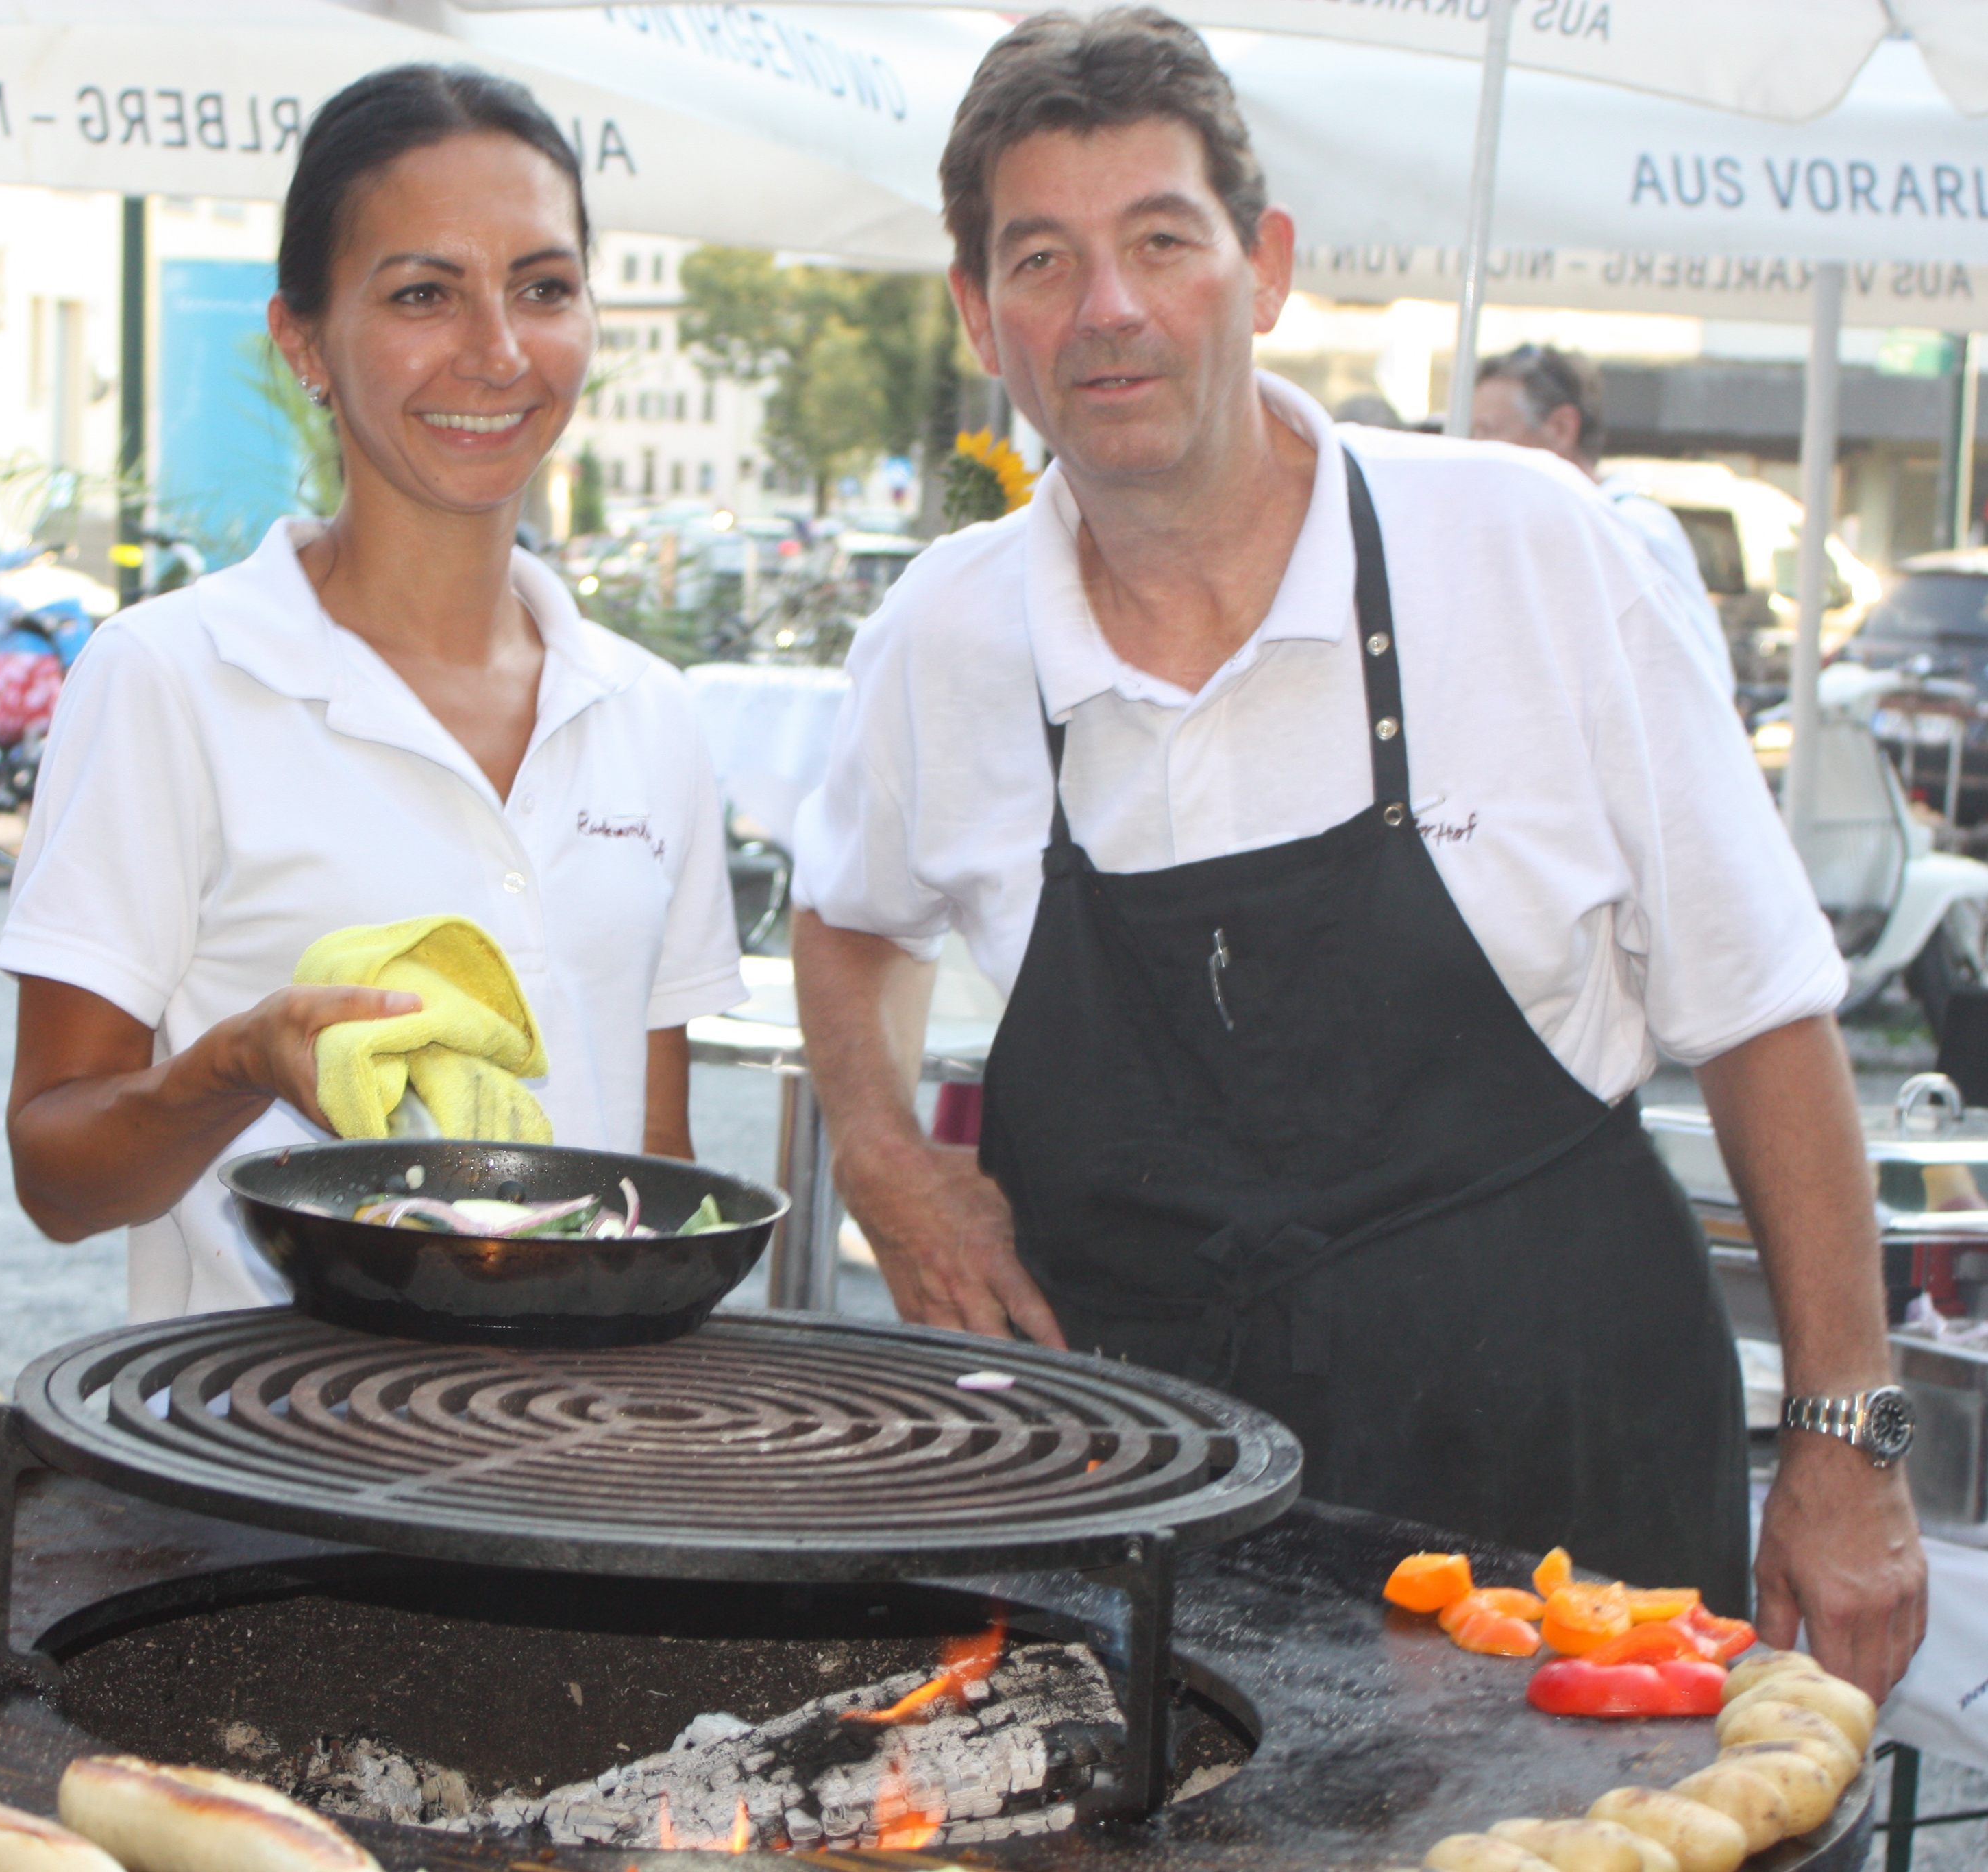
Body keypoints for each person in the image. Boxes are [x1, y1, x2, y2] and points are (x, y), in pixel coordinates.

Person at [789, 8, 1924, 1699]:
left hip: (1564, 1488)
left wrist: (1848, 1441)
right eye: (1043, 259)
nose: (1109, 311)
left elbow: (1765, 1011)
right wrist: (884, 1158)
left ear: (1267, 267)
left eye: (1162, 243)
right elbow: (842, 918)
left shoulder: (1534, 553)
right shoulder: (945, 636)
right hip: (1149, 1514)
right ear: (979, 316)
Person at [0, 64, 744, 1320]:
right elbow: (57, 1181)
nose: (497, 351)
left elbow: (647, 1179)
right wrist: (236, 1063)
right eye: (423, 294)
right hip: (272, 1480)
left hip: (579, 1467)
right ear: (304, 342)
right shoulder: (172, 678)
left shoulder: (648, 712)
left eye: (543, 289)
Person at [1471, 343, 1737, 698]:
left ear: (1562, 428)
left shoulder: (1631, 530)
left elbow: (1698, 682)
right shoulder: (1555, 528)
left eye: (1487, 432)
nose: (1474, 450)